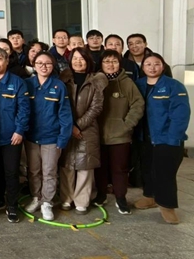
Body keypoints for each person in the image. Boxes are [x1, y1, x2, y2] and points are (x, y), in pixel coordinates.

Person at [134, 53, 190, 224]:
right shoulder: (138, 84)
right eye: (148, 64)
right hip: (145, 137)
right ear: (143, 67)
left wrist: (173, 138)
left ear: (163, 66)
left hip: (166, 138)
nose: (152, 67)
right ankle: (149, 196)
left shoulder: (174, 86)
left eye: (156, 64)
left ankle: (167, 206)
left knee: (165, 173)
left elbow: (180, 115)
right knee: (147, 169)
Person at [23, 52, 73, 222]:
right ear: (34, 65)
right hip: (31, 137)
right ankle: (36, 197)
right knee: (33, 170)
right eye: (40, 63)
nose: (43, 67)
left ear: (53, 66)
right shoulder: (27, 84)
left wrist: (63, 137)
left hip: (52, 137)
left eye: (48, 63)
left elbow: (65, 114)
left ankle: (47, 202)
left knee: (49, 171)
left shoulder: (59, 86)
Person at [94, 50, 144, 215]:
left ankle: (121, 198)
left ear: (120, 64)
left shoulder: (127, 83)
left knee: (120, 169)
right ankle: (101, 194)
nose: (110, 65)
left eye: (114, 61)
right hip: (97, 134)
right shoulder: (94, 81)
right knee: (100, 168)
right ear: (101, 64)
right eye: (107, 61)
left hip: (120, 135)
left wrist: (127, 124)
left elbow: (138, 104)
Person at [58, 47, 107, 215]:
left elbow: (96, 108)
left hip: (87, 129)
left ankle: (81, 201)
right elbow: (60, 104)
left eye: (82, 59)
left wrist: (78, 126)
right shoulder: (64, 80)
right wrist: (70, 126)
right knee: (66, 165)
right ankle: (66, 198)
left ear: (88, 61)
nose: (78, 62)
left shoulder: (96, 81)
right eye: (75, 58)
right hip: (66, 127)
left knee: (85, 167)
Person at [0, 47, 30, 223]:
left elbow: (24, 109)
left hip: (12, 137)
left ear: (7, 61)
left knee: (11, 173)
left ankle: (12, 205)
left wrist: (19, 130)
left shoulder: (18, 82)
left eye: (0, 59)